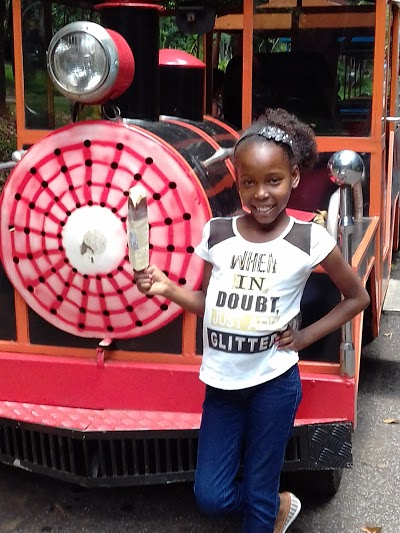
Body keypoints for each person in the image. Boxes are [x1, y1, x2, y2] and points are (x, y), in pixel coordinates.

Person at [134, 108, 370, 532]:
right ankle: (278, 505)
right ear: (238, 180)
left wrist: (305, 337)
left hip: (274, 385)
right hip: (222, 386)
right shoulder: (217, 233)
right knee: (211, 495)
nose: (261, 194)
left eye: (273, 180)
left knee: (257, 495)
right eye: (249, 182)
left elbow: (357, 297)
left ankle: (265, 507)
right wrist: (167, 288)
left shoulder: (309, 238)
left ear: (294, 177)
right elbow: (210, 303)